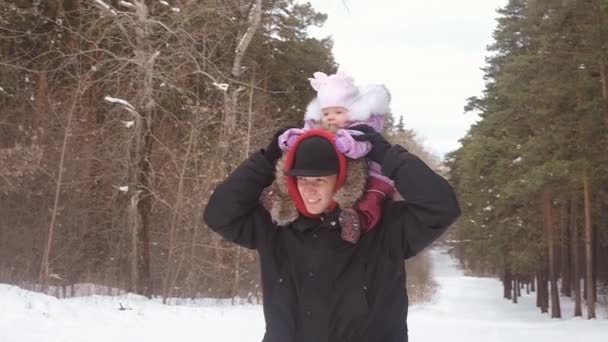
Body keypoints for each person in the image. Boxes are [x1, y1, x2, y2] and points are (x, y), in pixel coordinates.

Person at [203, 123, 461, 342]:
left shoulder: (383, 226)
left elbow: (441, 207)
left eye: (319, 180)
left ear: (340, 181)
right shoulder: (276, 227)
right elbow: (219, 214)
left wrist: (384, 153)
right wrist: (268, 158)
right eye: (301, 180)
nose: (309, 189)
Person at [276, 70, 394, 243]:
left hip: (372, 173)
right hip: (339, 175)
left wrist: (351, 145)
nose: (331, 118)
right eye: (326, 113)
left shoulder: (360, 127)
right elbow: (307, 136)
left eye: (338, 112)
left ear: (353, 111)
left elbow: (365, 144)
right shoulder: (319, 127)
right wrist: (293, 139)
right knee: (294, 173)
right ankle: (280, 200)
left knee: (372, 196)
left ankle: (359, 219)